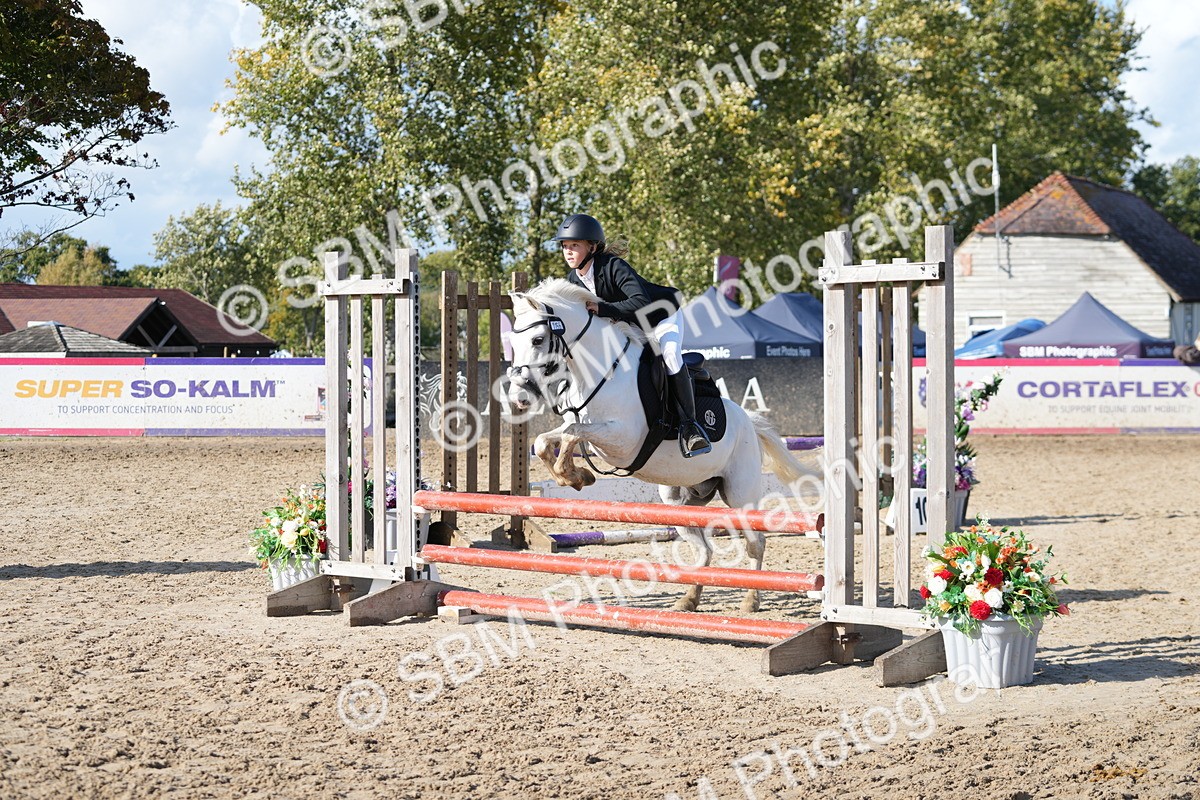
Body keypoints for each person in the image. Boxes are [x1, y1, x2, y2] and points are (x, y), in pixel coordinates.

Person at [550, 213, 711, 457]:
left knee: (669, 357)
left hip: (660, 316)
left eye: (575, 245)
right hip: (628, 323)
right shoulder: (574, 279)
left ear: (592, 247)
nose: (568, 251)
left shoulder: (613, 266)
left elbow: (640, 302)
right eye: (565, 246)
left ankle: (691, 427)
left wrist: (602, 309)